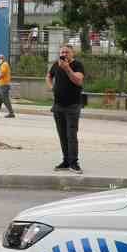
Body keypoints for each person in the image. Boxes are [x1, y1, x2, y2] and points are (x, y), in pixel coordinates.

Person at [46, 43, 85, 173]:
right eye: (62, 52)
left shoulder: (77, 65)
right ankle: (66, 161)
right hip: (58, 106)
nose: (63, 55)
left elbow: (78, 81)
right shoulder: (56, 64)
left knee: (71, 135)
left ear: (72, 53)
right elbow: (48, 76)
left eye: (66, 52)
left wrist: (67, 69)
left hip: (72, 106)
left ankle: (74, 163)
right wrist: (51, 87)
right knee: (62, 135)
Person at [0, 54, 15, 118]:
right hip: (2, 85)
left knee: (5, 99)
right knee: (0, 99)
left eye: (0, 58)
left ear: (3, 59)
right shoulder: (2, 65)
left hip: (4, 85)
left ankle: (11, 113)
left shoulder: (4, 65)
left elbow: (2, 74)